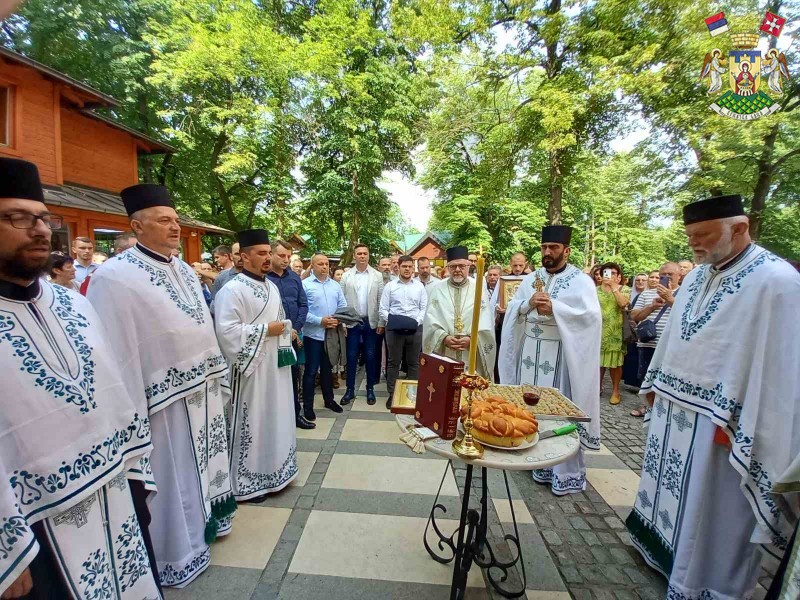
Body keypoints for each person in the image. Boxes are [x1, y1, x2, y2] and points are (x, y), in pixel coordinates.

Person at [0, 157, 161, 599]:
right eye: (16, 217)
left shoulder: (72, 304)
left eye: (42, 218)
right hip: (34, 524)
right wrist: (4, 553)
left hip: (114, 488)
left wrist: (135, 472)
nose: (38, 229)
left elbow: (114, 390)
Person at [626, 195, 800, 599]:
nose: (694, 246)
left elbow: (780, 371)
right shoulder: (698, 277)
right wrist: (654, 385)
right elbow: (674, 339)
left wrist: (747, 424)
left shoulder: (777, 282)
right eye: (689, 237)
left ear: (738, 228)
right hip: (675, 413)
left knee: (712, 513)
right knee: (671, 495)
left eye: (702, 236)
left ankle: (707, 585)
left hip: (723, 425)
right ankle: (661, 556)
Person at [87, 183, 235, 588]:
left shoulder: (183, 267)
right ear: (137, 225)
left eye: (175, 220)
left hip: (201, 392)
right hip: (160, 403)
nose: (174, 227)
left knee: (201, 470)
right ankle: (177, 552)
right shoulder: (113, 277)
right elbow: (114, 352)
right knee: (174, 479)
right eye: (163, 220)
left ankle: (207, 528)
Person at [499, 226, 601, 495]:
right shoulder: (530, 278)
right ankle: (531, 457)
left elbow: (590, 318)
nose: (547, 252)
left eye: (553, 248)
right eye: (544, 247)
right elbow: (513, 309)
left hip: (560, 356)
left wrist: (556, 308)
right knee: (528, 407)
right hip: (529, 352)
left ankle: (562, 471)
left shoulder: (581, 281)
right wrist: (528, 303)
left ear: (566, 251)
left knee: (557, 410)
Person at [215, 230, 299, 502]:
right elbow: (226, 331)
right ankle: (249, 481)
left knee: (277, 416)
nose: (267, 258)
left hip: (276, 367)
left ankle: (277, 471)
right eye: (261, 253)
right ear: (244, 256)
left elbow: (280, 321)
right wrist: (267, 330)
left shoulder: (271, 286)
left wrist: (287, 331)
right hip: (251, 370)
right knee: (255, 421)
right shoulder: (232, 289)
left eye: (268, 253)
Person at [423, 246, 495, 378]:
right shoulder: (437, 289)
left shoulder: (478, 288)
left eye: (461, 266)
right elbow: (430, 322)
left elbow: (486, 322)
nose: (457, 270)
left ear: (468, 266)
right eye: (453, 266)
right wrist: (443, 337)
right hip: (445, 351)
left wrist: (472, 339)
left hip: (470, 352)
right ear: (448, 267)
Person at [267, 239, 314, 429]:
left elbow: (303, 304)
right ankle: (276, 420)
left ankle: (295, 415)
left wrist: (295, 327)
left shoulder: (294, 278)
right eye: (281, 255)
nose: (286, 260)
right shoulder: (264, 279)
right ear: (270, 254)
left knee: (292, 378)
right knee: (273, 381)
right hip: (271, 338)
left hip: (292, 336)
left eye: (288, 256)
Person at [628, 262, 681, 418]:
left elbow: (688, 316)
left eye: (670, 275)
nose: (666, 278)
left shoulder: (686, 293)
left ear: (679, 276)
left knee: (666, 378)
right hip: (647, 343)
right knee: (645, 376)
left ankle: (663, 409)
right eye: (663, 275)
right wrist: (651, 307)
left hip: (672, 345)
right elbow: (634, 316)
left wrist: (670, 299)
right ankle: (646, 406)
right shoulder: (646, 294)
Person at [302, 253, 347, 421]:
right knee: (311, 371)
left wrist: (337, 319)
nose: (324, 267)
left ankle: (329, 400)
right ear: (312, 266)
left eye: (326, 264)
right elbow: (302, 311)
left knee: (328, 370)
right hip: (313, 335)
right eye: (320, 264)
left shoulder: (335, 286)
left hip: (331, 334)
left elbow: (342, 305)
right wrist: (320, 321)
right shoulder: (305, 285)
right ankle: (308, 407)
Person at [339, 243, 384, 406]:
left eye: (365, 253)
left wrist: (381, 322)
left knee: (371, 356)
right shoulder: (346, 276)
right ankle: (349, 390)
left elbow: (380, 300)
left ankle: (370, 388)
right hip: (352, 322)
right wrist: (343, 323)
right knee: (351, 356)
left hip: (370, 321)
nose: (362, 256)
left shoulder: (377, 276)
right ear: (354, 256)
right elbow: (341, 301)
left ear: (369, 255)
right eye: (359, 253)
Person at [380, 255, 427, 409]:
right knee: (393, 363)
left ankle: (411, 395)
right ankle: (392, 395)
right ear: (398, 267)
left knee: (413, 363)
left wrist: (415, 322)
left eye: (409, 266)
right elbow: (383, 309)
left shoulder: (419, 286)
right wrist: (395, 322)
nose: (407, 269)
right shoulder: (390, 286)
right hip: (394, 330)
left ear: (413, 268)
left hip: (415, 329)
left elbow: (423, 308)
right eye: (404, 266)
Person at [597, 262, 630, 405]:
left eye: (613, 273)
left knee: (615, 364)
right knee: (598, 363)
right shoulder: (594, 290)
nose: (609, 276)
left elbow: (623, 304)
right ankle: (597, 387)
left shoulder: (624, 289)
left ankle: (616, 391)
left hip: (615, 332)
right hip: (598, 332)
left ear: (618, 276)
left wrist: (614, 288)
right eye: (606, 272)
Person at [622, 272, 649, 390]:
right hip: (631, 328)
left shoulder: (649, 294)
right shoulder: (629, 294)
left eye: (643, 280)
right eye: (638, 280)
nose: (640, 282)